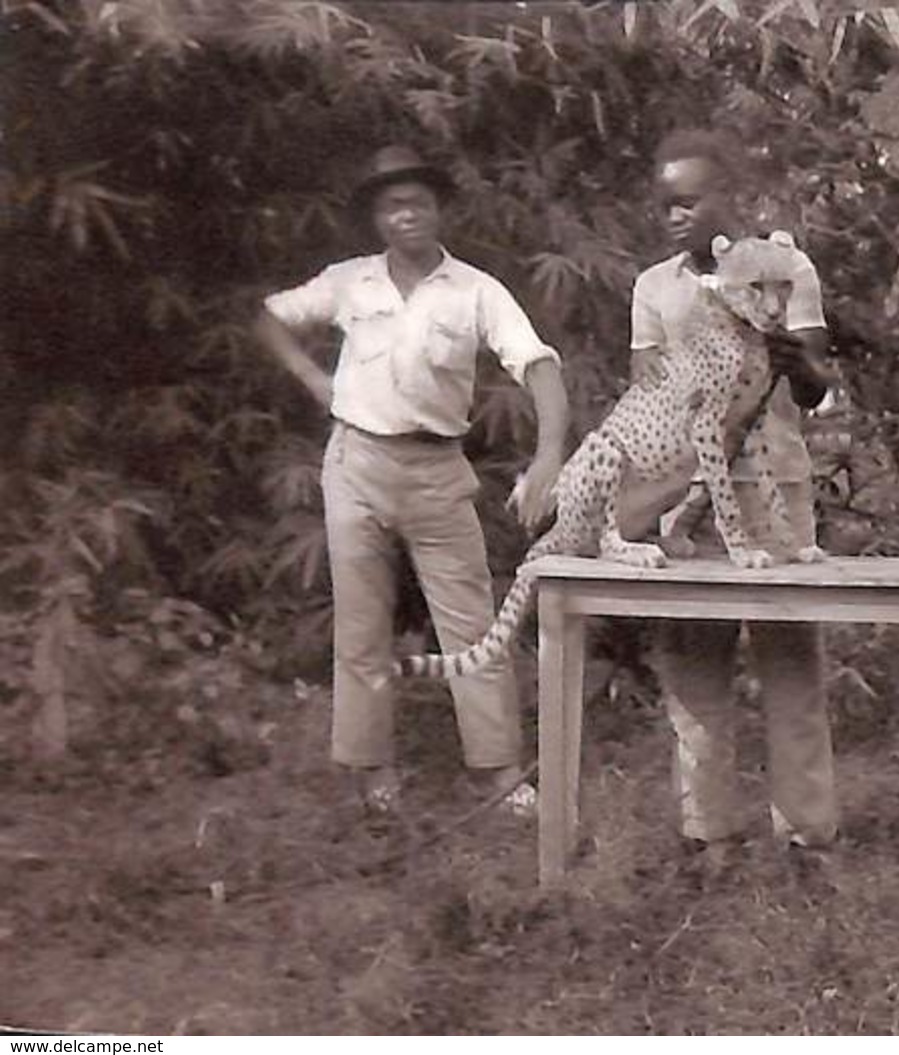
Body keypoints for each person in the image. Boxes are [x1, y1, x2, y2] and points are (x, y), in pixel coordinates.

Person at [255, 145, 569, 817]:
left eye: (418, 202)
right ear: (376, 217)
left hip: (436, 470)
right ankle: (374, 775)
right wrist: (314, 379)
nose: (407, 215)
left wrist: (547, 456)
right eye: (392, 205)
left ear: (439, 210)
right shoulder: (350, 282)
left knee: (473, 626)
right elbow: (272, 317)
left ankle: (499, 773)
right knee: (362, 626)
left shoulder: (476, 289)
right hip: (357, 465)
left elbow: (537, 364)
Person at [622, 129, 842, 855]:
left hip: (775, 490)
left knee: (790, 668)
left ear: (727, 199)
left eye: (688, 200)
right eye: (664, 204)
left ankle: (807, 841)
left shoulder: (787, 267)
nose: (674, 215)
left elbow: (815, 386)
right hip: (691, 496)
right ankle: (708, 837)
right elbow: (649, 396)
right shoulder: (653, 287)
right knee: (693, 672)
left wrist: (792, 361)